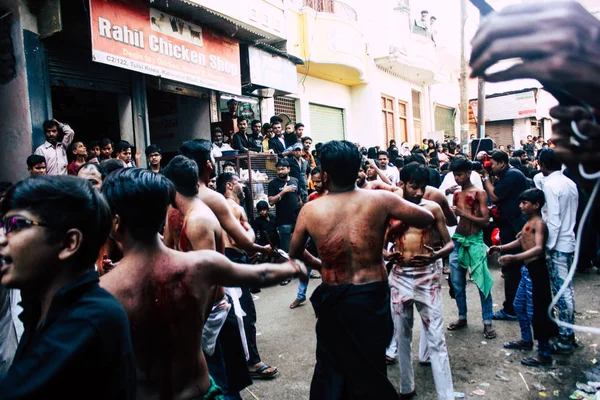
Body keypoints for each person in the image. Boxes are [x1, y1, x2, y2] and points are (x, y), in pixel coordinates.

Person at [100, 168, 307, 399]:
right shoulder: (199, 265)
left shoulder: (105, 290)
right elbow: (260, 275)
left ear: (116, 222)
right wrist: (293, 267)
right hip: (199, 391)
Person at [288, 140, 435, 399]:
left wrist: (320, 265)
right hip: (370, 296)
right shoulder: (381, 200)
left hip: (335, 292)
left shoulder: (311, 210)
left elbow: (294, 254)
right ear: (357, 169)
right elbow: (427, 217)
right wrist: (391, 226)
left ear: (325, 174)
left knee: (332, 367)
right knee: (370, 367)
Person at [0, 176, 136, 398]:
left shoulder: (93, 318)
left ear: (69, 243)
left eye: (16, 225)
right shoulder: (40, 307)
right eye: (2, 225)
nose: (2, 239)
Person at [386, 162, 454, 400]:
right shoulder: (390, 209)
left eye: (422, 187)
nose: (417, 192)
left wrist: (436, 255)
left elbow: (449, 243)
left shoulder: (433, 208)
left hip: (428, 278)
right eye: (413, 187)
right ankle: (407, 387)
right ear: (401, 184)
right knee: (402, 336)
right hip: (399, 278)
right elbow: (377, 242)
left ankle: (446, 394)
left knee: (437, 338)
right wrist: (386, 255)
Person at [217, 172, 279, 380]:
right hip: (233, 258)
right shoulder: (233, 207)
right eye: (239, 183)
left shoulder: (219, 206)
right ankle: (252, 361)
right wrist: (262, 248)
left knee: (236, 312)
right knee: (244, 313)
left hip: (229, 259)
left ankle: (241, 359)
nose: (243, 186)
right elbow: (238, 241)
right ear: (229, 186)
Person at [489, 188, 558, 367]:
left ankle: (544, 353)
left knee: (537, 312)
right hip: (526, 271)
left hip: (536, 270)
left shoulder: (539, 224)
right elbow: (521, 241)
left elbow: (538, 248)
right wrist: (501, 248)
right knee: (519, 305)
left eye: (524, 203)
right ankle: (526, 340)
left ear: (536, 205)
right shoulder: (527, 223)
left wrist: (515, 257)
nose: (521, 206)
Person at [447, 158, 496, 339]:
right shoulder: (457, 195)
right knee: (457, 283)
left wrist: (463, 214)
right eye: (454, 175)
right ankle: (462, 317)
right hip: (459, 240)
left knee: (482, 283)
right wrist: (448, 214)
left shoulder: (479, 193)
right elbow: (453, 221)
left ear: (468, 173)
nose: (457, 178)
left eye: (459, 174)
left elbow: (485, 221)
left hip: (475, 241)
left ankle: (487, 322)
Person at [537, 148, 579, 354]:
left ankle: (565, 339)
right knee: (566, 291)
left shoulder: (551, 185)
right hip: (568, 241)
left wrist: (547, 247)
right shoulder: (569, 183)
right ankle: (568, 333)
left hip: (558, 244)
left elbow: (553, 220)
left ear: (543, 164)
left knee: (562, 293)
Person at [481, 150, 528, 321]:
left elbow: (495, 195)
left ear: (502, 163)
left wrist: (485, 179)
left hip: (513, 226)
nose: (489, 167)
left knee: (511, 267)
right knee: (513, 267)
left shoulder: (511, 176)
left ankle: (512, 309)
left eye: (492, 164)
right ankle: (517, 306)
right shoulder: (510, 174)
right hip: (511, 224)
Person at [290, 168, 326, 310]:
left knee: (326, 268)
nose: (316, 184)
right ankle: (300, 295)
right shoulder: (312, 197)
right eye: (314, 181)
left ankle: (326, 295)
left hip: (326, 239)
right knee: (306, 268)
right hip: (313, 238)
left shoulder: (332, 196)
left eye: (319, 181)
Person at [268, 159, 301, 254]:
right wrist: (284, 191)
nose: (280, 171)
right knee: (286, 252)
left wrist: (302, 213)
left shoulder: (295, 180)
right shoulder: (273, 183)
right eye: (278, 169)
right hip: (284, 222)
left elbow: (299, 199)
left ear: (288, 169)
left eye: (282, 169)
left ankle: (299, 268)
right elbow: (271, 202)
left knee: (299, 249)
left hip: (297, 220)